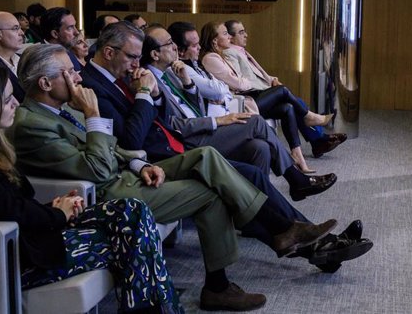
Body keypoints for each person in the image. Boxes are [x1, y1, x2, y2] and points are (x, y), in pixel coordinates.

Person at [11, 43, 341, 310]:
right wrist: (94, 114)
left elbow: (112, 147)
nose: (77, 77)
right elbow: (97, 169)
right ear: (45, 83)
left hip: (131, 171)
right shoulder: (33, 125)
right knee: (211, 194)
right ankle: (222, 282)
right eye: (69, 72)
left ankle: (282, 231)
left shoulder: (62, 106)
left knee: (209, 157)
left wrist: (139, 165)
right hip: (109, 195)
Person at [0, 62, 181, 313]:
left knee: (132, 210)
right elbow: (5, 209)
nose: (16, 103)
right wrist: (58, 214)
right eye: (7, 101)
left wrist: (59, 206)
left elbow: (11, 201)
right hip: (21, 255)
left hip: (33, 233)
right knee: (134, 240)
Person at [141, 24, 337, 195]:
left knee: (260, 148)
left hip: (208, 123)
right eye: (168, 43)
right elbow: (171, 123)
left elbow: (195, 104)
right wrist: (217, 121)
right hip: (189, 140)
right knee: (257, 121)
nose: (174, 46)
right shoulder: (150, 80)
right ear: (154, 53)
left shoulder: (173, 72)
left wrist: (187, 82)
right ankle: (296, 179)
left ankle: (260, 206)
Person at [200, 21, 333, 173]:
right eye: (225, 34)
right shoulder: (212, 58)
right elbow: (239, 83)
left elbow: (245, 78)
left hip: (247, 97)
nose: (229, 36)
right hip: (239, 103)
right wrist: (247, 82)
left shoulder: (221, 55)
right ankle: (309, 117)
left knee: (287, 108)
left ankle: (297, 155)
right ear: (214, 40)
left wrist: (265, 81)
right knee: (282, 91)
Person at [223, 19, 347, 158]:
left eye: (245, 31)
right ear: (231, 38)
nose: (246, 35)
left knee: (291, 104)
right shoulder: (229, 53)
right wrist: (268, 87)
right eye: (241, 32)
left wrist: (271, 79)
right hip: (251, 98)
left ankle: (317, 140)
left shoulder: (242, 51)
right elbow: (239, 79)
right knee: (285, 92)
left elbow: (256, 74)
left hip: (261, 92)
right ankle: (314, 128)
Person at [40, 7, 83, 71]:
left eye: (75, 26)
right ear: (55, 34)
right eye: (70, 28)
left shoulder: (66, 48)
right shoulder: (42, 60)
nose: (76, 32)